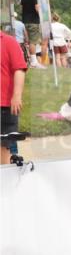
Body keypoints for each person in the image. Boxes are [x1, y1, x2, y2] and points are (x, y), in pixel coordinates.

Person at [1, 30, 28, 165]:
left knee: (5, 145)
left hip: (4, 104)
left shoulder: (9, 41)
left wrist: (16, 96)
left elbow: (19, 69)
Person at [19, 0, 41, 68]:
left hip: (25, 21)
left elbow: (21, 8)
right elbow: (36, 7)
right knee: (33, 42)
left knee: (27, 42)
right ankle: (34, 62)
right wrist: (42, 16)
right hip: (33, 21)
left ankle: (28, 60)